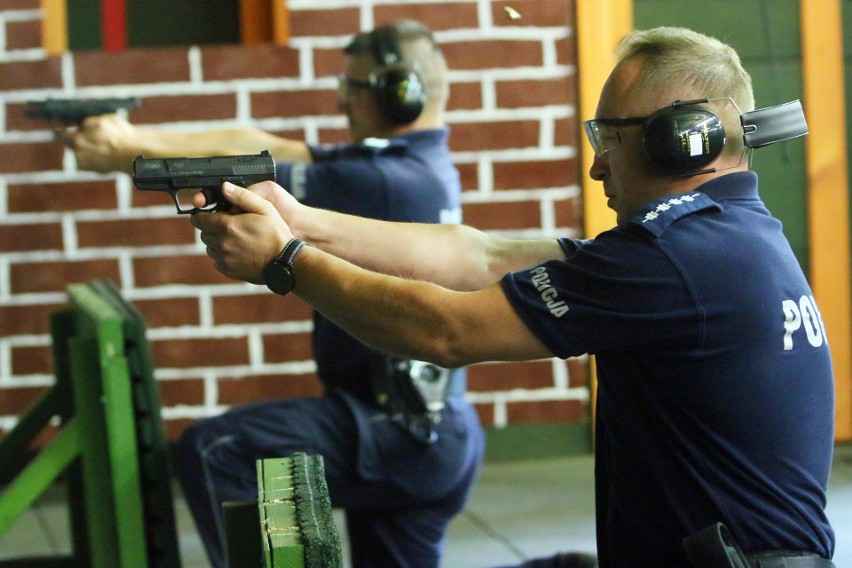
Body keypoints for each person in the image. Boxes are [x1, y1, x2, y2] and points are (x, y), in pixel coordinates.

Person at [190, 26, 837, 567]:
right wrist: (302, 220)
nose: (598, 166)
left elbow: (446, 333)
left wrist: (285, 262)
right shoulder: (723, 238)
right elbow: (478, 255)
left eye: (610, 138)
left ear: (680, 139)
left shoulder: (673, 258)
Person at [60, 20, 485, 568]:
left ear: (398, 94)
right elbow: (267, 145)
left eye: (353, 88)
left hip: (395, 428)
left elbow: (251, 173)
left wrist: (127, 153)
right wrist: (130, 142)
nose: (341, 102)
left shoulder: (383, 179)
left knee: (217, 450)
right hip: (430, 428)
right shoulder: (407, 164)